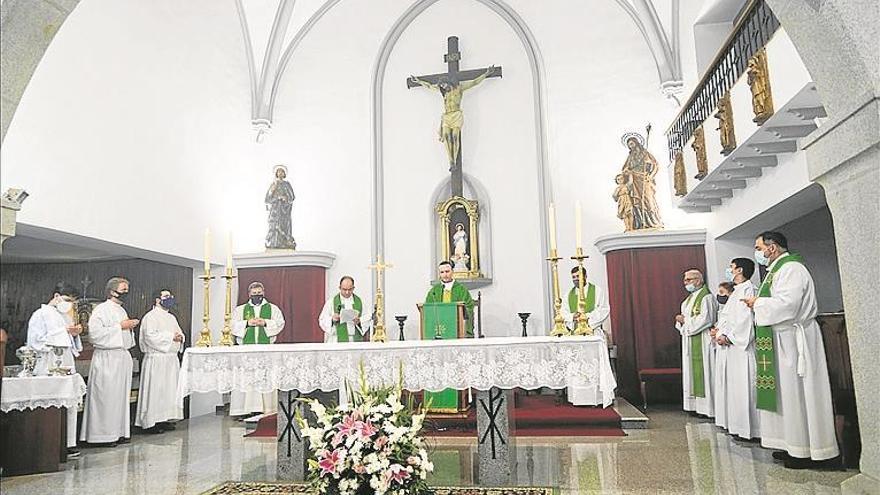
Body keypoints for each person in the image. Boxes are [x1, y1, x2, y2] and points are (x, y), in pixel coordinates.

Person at [743, 231, 839, 468]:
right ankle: (791, 444)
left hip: (794, 340)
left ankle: (811, 450)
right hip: (779, 338)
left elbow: (790, 305)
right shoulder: (776, 270)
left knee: (798, 393)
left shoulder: (792, 268)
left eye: (758, 248)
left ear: (772, 247)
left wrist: (758, 303)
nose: (757, 253)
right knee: (786, 395)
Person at [26, 281, 83, 457]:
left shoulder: (64, 315)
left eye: (73, 302)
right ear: (56, 296)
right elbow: (35, 341)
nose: (70, 304)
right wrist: (64, 332)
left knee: (69, 401)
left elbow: (73, 345)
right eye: (67, 299)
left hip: (65, 361)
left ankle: (69, 442)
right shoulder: (40, 314)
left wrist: (74, 334)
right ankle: (49, 442)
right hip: (47, 361)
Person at [80, 277, 139, 445]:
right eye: (123, 289)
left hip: (121, 357)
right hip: (107, 358)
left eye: (127, 289)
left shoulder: (121, 310)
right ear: (112, 291)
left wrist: (126, 326)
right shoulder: (101, 310)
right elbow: (95, 335)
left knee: (119, 397)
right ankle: (101, 435)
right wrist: (120, 327)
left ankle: (118, 432)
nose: (126, 293)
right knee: (105, 397)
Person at [409, 66, 498, 169]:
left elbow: (474, 82)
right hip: (447, 116)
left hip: (456, 116)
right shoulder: (444, 93)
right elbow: (429, 86)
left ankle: (455, 160)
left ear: (448, 82)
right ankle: (450, 161)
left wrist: (486, 74)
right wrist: (418, 81)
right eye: (442, 86)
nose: (443, 87)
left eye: (444, 84)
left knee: (455, 136)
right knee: (446, 136)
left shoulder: (459, 89)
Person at [712, 259, 760, 439]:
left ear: (739, 270)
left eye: (731, 267)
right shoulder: (737, 291)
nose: (728, 270)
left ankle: (751, 430)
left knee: (745, 386)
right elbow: (726, 317)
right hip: (731, 346)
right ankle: (738, 426)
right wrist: (719, 333)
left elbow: (744, 320)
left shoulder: (748, 289)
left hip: (741, 347)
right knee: (735, 388)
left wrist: (729, 336)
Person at [230, 282, 285, 417]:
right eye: (254, 294)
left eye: (259, 293)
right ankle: (245, 410)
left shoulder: (273, 309)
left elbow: (280, 323)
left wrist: (265, 322)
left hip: (265, 350)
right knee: (247, 378)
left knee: (265, 377)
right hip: (246, 350)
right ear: (249, 294)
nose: (257, 296)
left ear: (263, 293)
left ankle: (267, 409)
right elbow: (232, 326)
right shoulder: (240, 310)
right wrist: (247, 323)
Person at [135, 289, 184, 433]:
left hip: (170, 359)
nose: (169, 299)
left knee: (168, 391)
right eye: (166, 296)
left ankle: (165, 419)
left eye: (170, 296)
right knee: (156, 390)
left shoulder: (171, 317)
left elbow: (179, 332)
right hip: (156, 358)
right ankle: (151, 422)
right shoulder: (150, 317)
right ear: (157, 300)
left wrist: (180, 337)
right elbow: (150, 336)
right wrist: (170, 337)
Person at [674, 269, 718, 417]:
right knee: (691, 372)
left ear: (698, 280)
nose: (685, 283)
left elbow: (707, 319)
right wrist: (681, 323)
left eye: (689, 280)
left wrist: (685, 321)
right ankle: (694, 406)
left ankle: (707, 409)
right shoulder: (688, 300)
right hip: (690, 339)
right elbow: (683, 322)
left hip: (703, 339)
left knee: (705, 372)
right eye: (685, 280)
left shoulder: (707, 298)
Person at [424, 260, 475, 337]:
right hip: (439, 327)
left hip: (457, 326)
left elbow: (469, 308)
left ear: (452, 272)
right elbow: (428, 309)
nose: (445, 275)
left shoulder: (461, 289)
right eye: (442, 272)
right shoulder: (434, 291)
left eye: (447, 271)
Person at [561, 267, 610, 340]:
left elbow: (604, 310)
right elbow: (563, 313)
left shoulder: (597, 291)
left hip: (593, 332)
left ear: (585, 276)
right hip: (575, 333)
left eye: (578, 276)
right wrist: (572, 316)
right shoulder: (568, 294)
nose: (576, 279)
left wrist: (586, 318)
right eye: (573, 277)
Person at [319, 276, 366, 344]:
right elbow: (322, 319)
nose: (347, 292)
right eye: (344, 289)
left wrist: (359, 321)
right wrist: (332, 320)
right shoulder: (331, 302)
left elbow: (367, 317)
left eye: (350, 289)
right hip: (336, 340)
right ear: (339, 288)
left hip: (355, 341)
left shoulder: (360, 302)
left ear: (353, 288)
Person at [265, 164, 296, 250]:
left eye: (282, 171)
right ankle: (274, 242)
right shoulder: (273, 184)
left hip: (284, 210)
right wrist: (274, 193)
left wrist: (285, 198)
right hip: (275, 210)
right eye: (278, 171)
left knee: (284, 225)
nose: (280, 173)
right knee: (275, 226)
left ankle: (286, 240)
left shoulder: (287, 184)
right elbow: (268, 198)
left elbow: (291, 197)